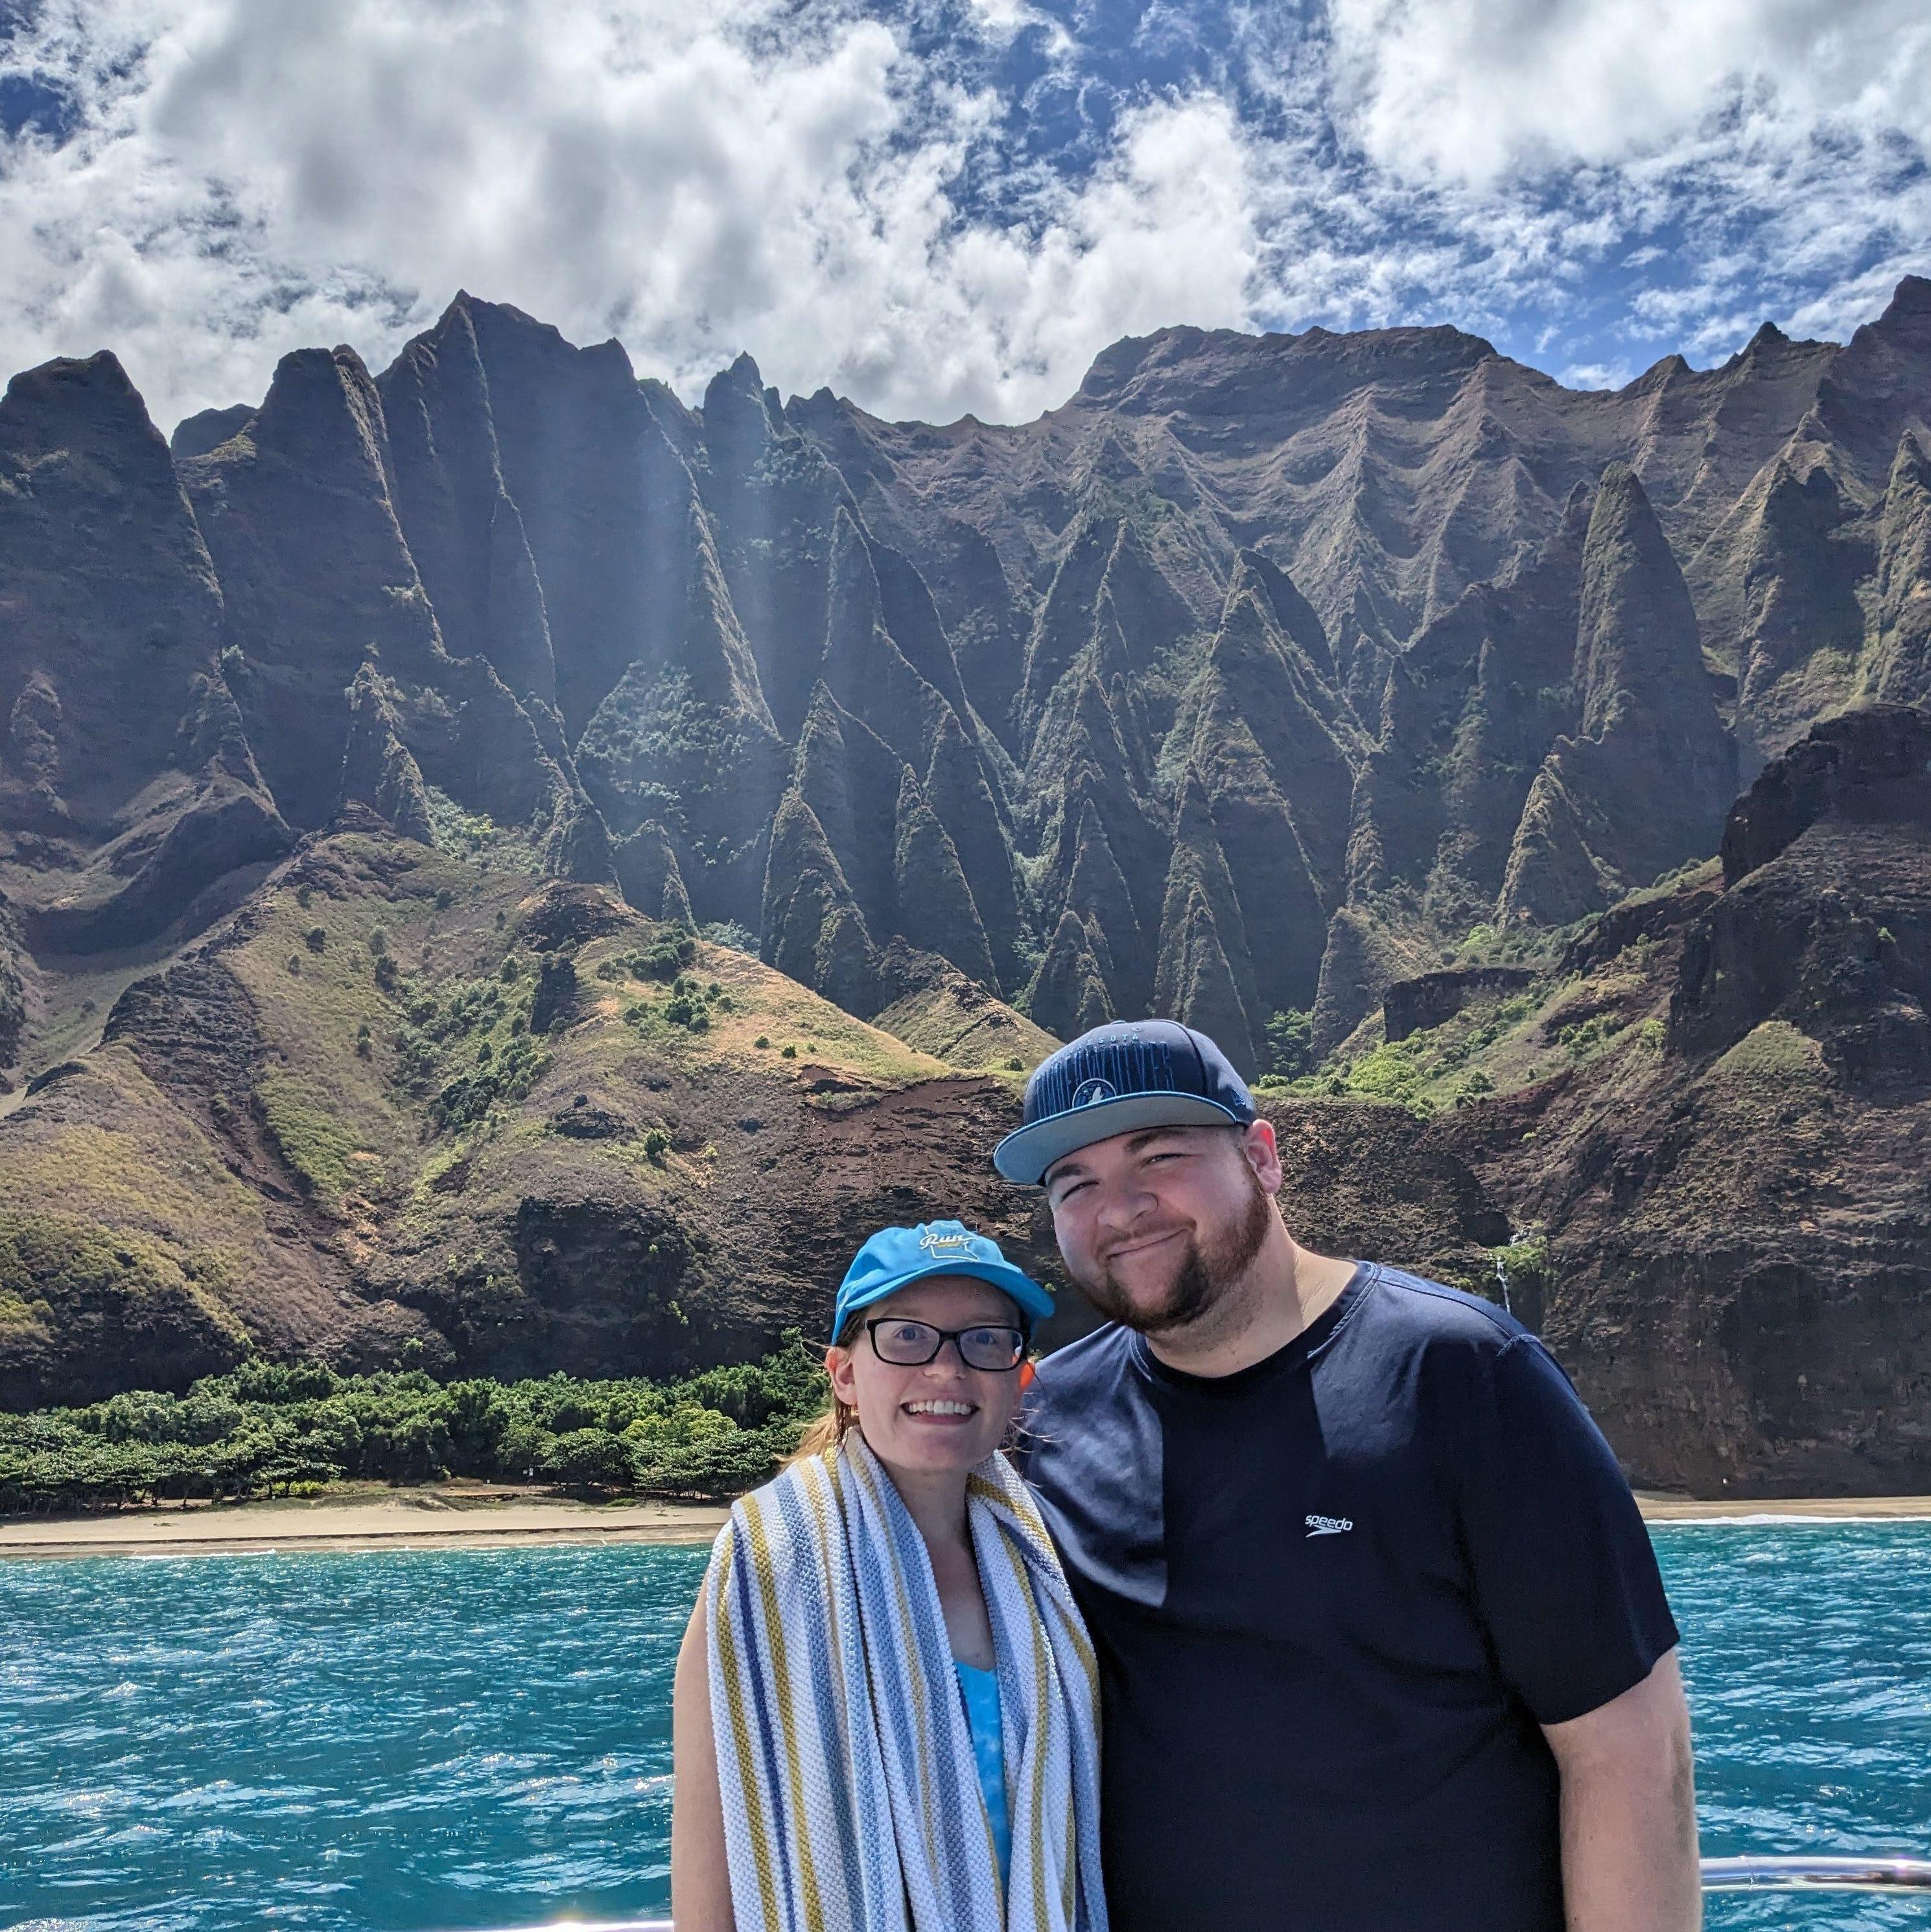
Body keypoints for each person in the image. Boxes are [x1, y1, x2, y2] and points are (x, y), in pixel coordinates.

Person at [995, 1019, 1699, 1932]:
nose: (1119, 1209)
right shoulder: (1042, 1419)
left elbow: (1629, 1750)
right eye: (1074, 1183)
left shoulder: (1464, 1375)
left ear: (1261, 1157)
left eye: (1158, 1156)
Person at [671, 1220, 1109, 1932]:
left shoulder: (1043, 1559)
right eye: (906, 1335)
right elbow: (708, 1858)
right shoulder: (765, 1561)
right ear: (844, 1373)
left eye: (984, 1340)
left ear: (1018, 1379)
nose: (946, 1369)